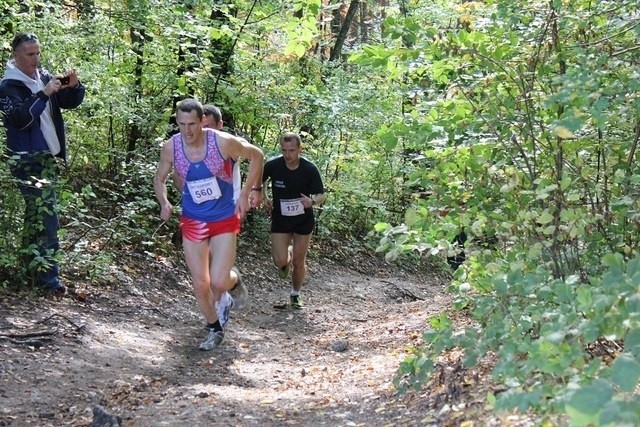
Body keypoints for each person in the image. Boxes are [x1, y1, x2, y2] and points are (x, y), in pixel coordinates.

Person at [154, 98, 264, 350]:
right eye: (181, 124)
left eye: (192, 124)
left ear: (202, 122)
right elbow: (159, 179)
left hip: (224, 218)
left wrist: (248, 192)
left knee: (218, 281)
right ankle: (215, 328)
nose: (187, 130)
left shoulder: (221, 142)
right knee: (200, 283)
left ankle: (233, 283)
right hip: (193, 220)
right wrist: (164, 202)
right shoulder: (171, 147)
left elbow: (257, 155)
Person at [0, 32, 85, 297]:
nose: (36, 59)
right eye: (30, 54)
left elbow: (69, 102)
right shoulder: (8, 86)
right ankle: (49, 281)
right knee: (47, 216)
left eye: (38, 53)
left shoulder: (43, 76)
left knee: (37, 216)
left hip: (48, 159)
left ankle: (30, 271)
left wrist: (74, 85)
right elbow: (20, 119)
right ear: (16, 55)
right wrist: (44, 94)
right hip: (28, 160)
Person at [261, 132, 325, 309]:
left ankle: (295, 294)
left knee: (299, 261)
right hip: (280, 219)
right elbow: (260, 181)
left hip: (303, 220)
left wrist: (311, 202)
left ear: (300, 149)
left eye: (291, 150)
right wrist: (264, 196)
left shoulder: (309, 169)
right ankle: (286, 256)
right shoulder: (273, 165)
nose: (287, 155)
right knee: (280, 261)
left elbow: (321, 195)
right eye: (284, 150)